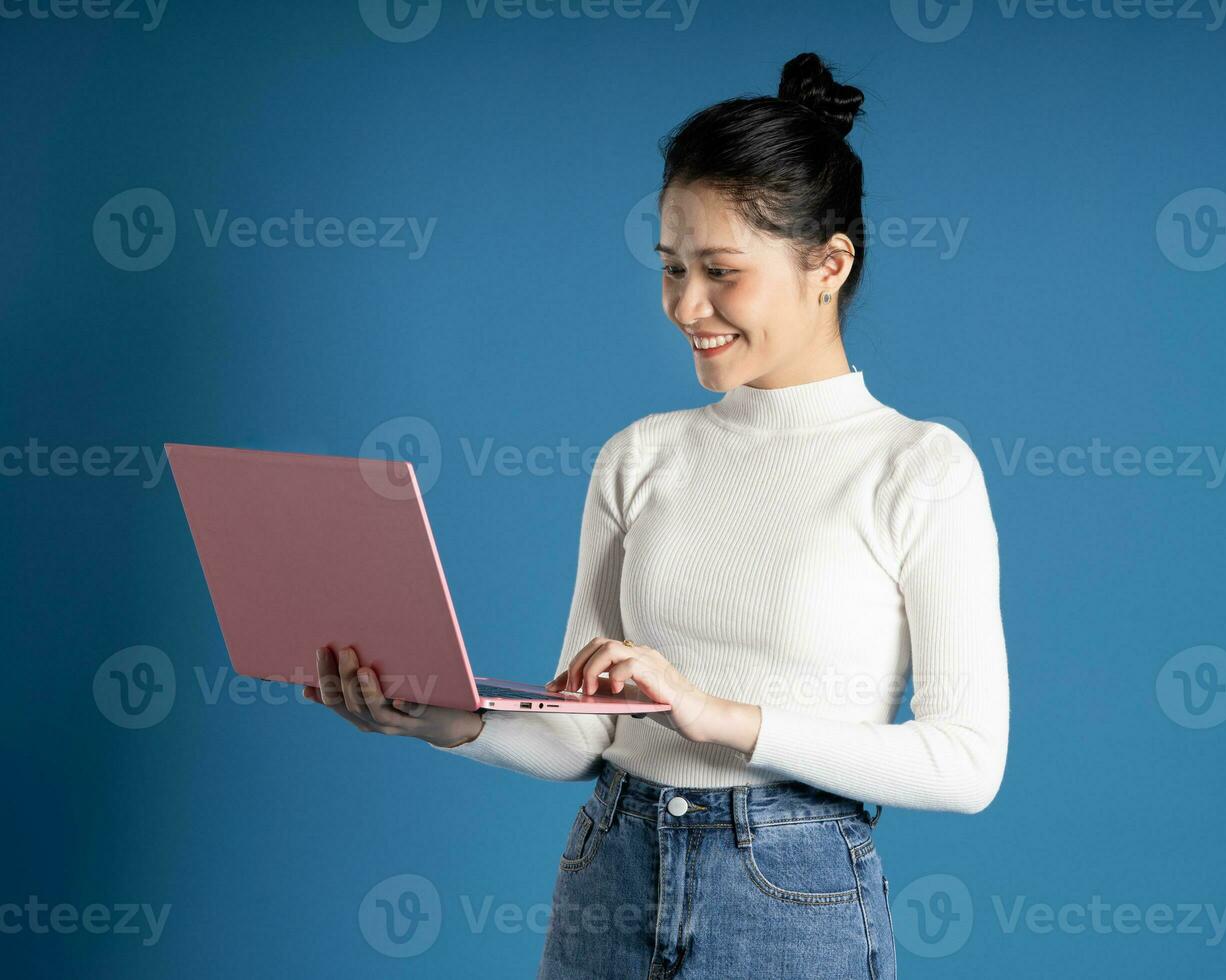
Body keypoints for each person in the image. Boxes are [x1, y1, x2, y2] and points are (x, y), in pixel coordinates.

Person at [305, 51, 1009, 979]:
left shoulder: (918, 468)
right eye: (671, 268)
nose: (686, 305)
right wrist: (434, 717)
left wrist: (719, 715)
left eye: (721, 270)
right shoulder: (641, 456)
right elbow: (579, 735)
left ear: (829, 263)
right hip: (611, 867)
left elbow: (965, 764)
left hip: (788, 893)